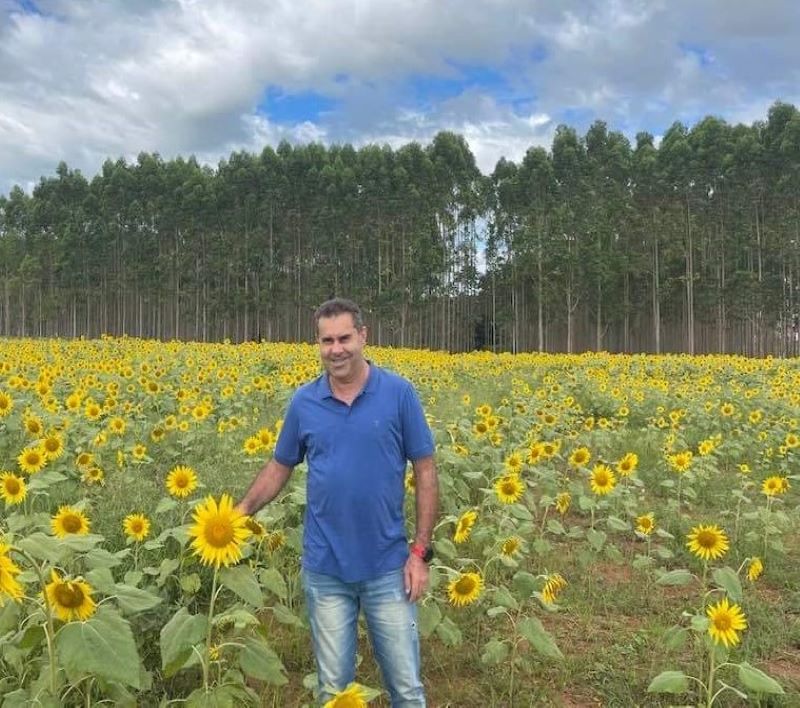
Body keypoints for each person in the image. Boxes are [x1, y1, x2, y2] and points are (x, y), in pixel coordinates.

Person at [237, 297, 439, 707]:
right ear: (318, 344)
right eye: (327, 340)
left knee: (406, 689)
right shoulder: (305, 403)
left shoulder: (398, 394)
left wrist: (419, 553)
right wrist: (238, 514)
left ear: (363, 336)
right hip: (326, 569)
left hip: (388, 567)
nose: (336, 349)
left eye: (344, 338)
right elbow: (280, 467)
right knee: (334, 692)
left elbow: (426, 472)